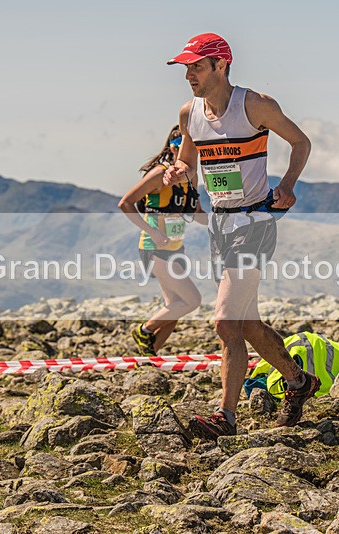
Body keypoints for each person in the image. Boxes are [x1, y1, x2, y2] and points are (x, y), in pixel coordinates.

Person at [164, 33, 317, 439]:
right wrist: (179, 173)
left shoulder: (256, 105)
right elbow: (186, 161)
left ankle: (225, 418)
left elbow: (300, 142)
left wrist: (287, 185)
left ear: (221, 65)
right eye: (185, 67)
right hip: (220, 226)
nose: (188, 74)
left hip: (255, 224)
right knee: (247, 325)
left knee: (225, 322)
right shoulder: (188, 113)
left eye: (196, 66)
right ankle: (299, 382)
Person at [119, 125, 202, 356]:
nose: (184, 152)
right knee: (192, 300)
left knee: (174, 310)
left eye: (192, 147)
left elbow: (197, 213)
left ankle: (148, 357)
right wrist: (152, 230)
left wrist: (226, 219)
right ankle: (144, 329)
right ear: (171, 148)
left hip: (176, 247)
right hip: (153, 247)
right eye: (178, 147)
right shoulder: (159, 174)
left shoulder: (192, 178)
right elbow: (125, 203)